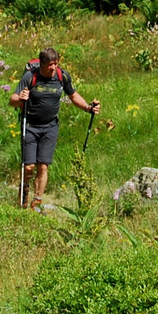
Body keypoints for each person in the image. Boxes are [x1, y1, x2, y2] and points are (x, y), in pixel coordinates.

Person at [8, 46, 100, 210]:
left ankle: (36, 203)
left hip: (50, 127)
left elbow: (73, 95)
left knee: (43, 166)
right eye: (50, 64)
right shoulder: (30, 77)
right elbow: (12, 100)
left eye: (56, 63)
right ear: (42, 64)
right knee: (28, 167)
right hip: (30, 126)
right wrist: (20, 99)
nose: (53, 67)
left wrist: (88, 108)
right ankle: (22, 198)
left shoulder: (62, 76)